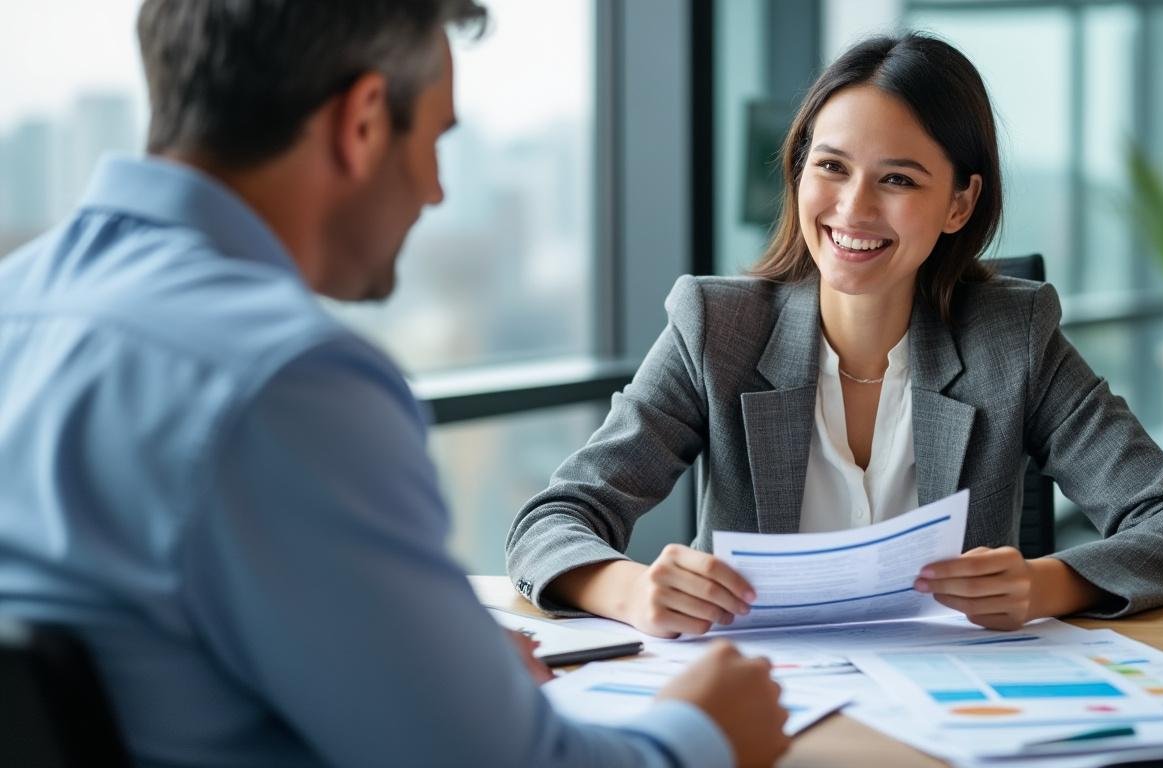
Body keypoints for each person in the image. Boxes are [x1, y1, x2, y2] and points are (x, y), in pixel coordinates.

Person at [0, 1, 791, 766]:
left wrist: (436, 675)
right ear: (364, 121)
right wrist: (702, 732)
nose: (437, 190)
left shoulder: (18, 304)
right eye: (437, 139)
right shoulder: (288, 380)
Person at [506, 32, 1163, 639]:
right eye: (831, 167)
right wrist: (633, 590)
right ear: (799, 173)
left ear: (959, 203)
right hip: (756, 700)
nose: (853, 209)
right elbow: (552, 521)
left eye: (898, 180)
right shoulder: (715, 329)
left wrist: (1047, 584)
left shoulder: (1012, 339)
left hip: (952, 709)